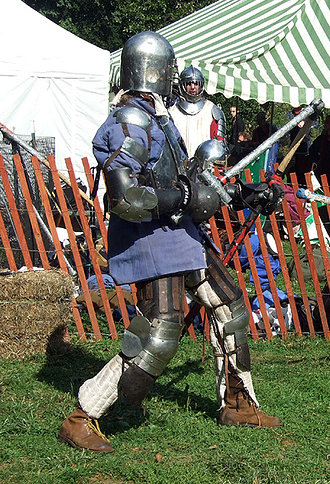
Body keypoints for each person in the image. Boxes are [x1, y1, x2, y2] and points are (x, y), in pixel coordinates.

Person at [58, 31, 284, 453]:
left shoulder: (158, 117)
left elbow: (188, 180)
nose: (175, 78)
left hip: (179, 234)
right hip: (150, 237)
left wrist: (242, 195)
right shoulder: (130, 121)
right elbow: (126, 198)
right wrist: (182, 197)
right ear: (157, 71)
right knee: (159, 332)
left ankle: (237, 402)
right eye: (169, 70)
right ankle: (82, 417)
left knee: (230, 305)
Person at [169, 65, 225, 157]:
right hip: (178, 165)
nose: (193, 87)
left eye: (196, 83)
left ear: (201, 85)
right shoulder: (172, 112)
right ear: (182, 85)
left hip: (205, 165)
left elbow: (219, 144)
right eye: (189, 83)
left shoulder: (212, 110)